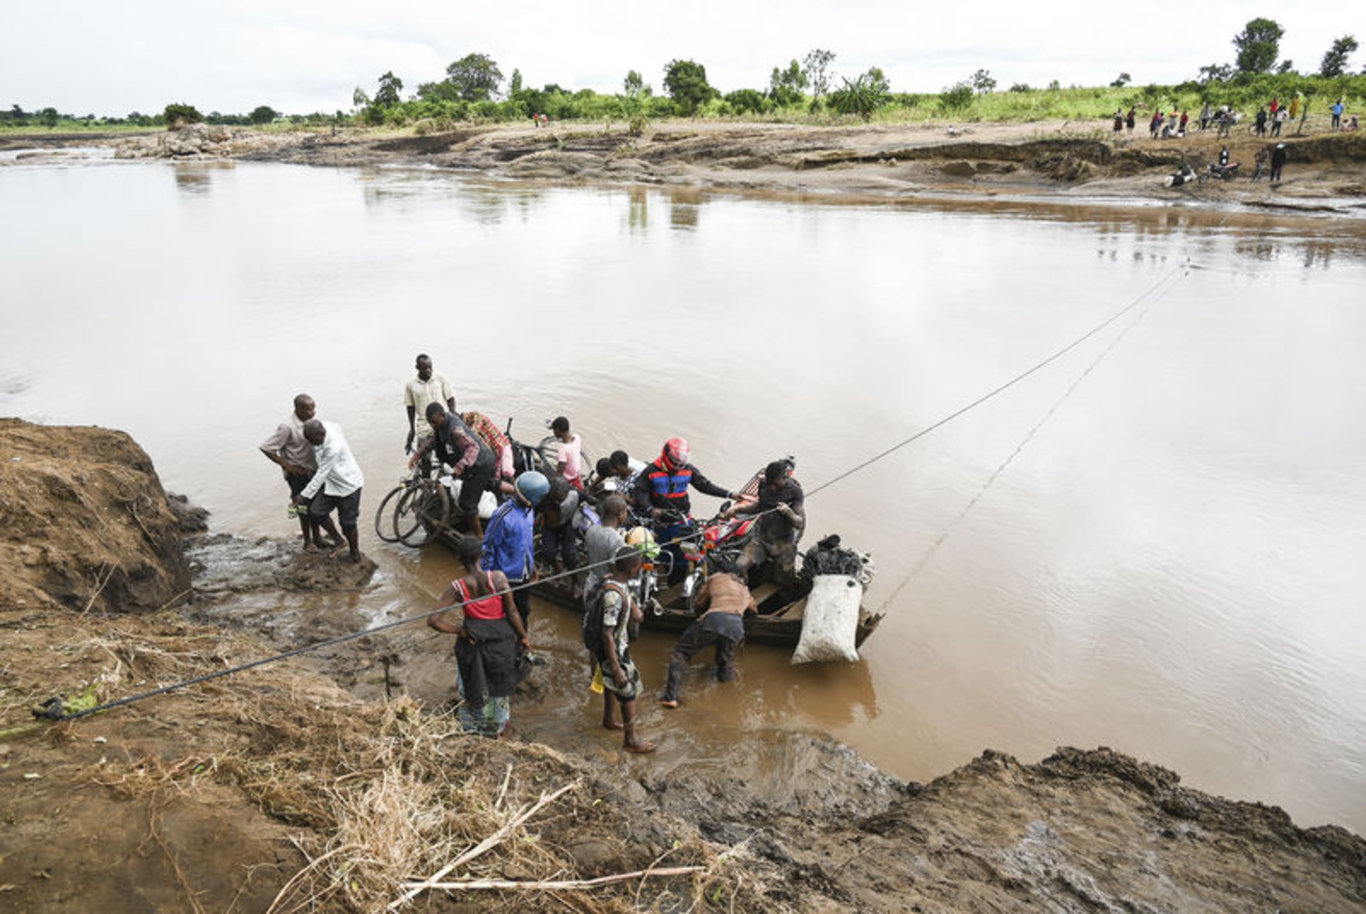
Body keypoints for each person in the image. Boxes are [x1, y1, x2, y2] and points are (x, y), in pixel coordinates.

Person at [427, 535, 530, 738]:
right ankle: (500, 728)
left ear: (459, 559)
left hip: (473, 642)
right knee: (499, 685)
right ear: (482, 555)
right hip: (501, 641)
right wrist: (524, 637)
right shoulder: (498, 579)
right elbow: (512, 613)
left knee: (474, 682)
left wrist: (459, 630)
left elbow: (433, 620)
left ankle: (475, 728)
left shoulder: (457, 587)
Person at [632, 437, 738, 582]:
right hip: (660, 522)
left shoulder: (688, 470)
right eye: (675, 464)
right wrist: (651, 509)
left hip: (681, 520)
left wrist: (730, 494)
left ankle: (678, 579)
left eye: (681, 464)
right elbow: (640, 492)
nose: (678, 468)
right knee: (661, 554)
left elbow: (704, 485)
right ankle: (660, 579)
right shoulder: (651, 471)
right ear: (666, 456)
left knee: (684, 554)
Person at [585, 546, 654, 753]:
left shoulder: (612, 580)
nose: (640, 568)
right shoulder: (613, 597)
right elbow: (607, 632)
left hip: (610, 647)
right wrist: (616, 667)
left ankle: (608, 720)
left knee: (610, 685)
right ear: (632, 569)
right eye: (639, 565)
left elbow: (626, 598)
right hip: (613, 649)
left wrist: (634, 609)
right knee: (628, 691)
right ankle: (630, 740)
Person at [659, 570, 757, 708]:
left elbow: (699, 601)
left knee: (681, 652)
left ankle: (670, 697)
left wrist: (700, 615)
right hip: (736, 627)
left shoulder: (716, 577)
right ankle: (726, 692)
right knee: (725, 659)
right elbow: (754, 610)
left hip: (714, 619)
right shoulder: (745, 589)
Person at [259, 393, 340, 552]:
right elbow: (266, 447)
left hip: (313, 472)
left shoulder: (310, 422)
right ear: (298, 409)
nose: (313, 412)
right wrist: (287, 465)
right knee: (302, 508)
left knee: (315, 506)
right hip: (298, 474)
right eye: (309, 409)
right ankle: (308, 542)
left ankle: (317, 537)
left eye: (314, 408)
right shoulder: (287, 427)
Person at [411, 403, 496, 536]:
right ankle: (515, 491)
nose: (432, 426)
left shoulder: (455, 430)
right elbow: (433, 440)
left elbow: (473, 448)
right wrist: (418, 454)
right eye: (429, 423)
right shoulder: (440, 426)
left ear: (442, 416)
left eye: (433, 422)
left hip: (481, 464)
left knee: (467, 504)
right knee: (492, 484)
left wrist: (459, 467)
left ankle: (480, 538)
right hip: (476, 463)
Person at [482, 470, 549, 632]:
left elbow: (527, 543)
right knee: (504, 612)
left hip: (522, 575)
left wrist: (531, 567)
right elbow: (488, 547)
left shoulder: (529, 511)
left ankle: (520, 643)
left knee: (523, 610)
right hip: (505, 577)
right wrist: (488, 578)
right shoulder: (503, 515)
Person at [295, 418, 364, 562]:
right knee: (316, 512)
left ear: (321, 434)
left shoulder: (332, 447)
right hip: (331, 483)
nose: (310, 444)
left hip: (347, 485)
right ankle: (339, 541)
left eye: (312, 440)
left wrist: (303, 495)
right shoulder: (327, 426)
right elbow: (337, 425)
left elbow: (321, 474)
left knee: (348, 523)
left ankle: (354, 554)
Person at [730, 460, 805, 589]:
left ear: (785, 478)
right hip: (762, 539)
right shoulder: (764, 484)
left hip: (783, 542)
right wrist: (737, 510)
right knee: (739, 566)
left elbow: (799, 522)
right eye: (770, 484)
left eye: (776, 484)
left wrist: (789, 512)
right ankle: (744, 592)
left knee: (785, 579)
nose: (772, 488)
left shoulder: (795, 492)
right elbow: (758, 507)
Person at [404, 354, 456, 456]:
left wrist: (452, 417)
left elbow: (450, 398)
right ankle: (425, 471)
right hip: (424, 425)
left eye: (430, 367)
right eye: (425, 368)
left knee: (449, 454)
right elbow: (410, 407)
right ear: (417, 368)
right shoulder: (411, 385)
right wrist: (412, 428)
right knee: (424, 456)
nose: (428, 370)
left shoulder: (440, 379)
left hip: (442, 422)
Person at [582, 494, 629, 609]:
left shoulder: (591, 530)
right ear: (620, 514)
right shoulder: (615, 539)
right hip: (607, 594)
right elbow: (616, 573)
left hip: (590, 586)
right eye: (626, 512)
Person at [462, 409, 516, 493]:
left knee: (507, 471)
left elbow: (473, 433)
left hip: (503, 446)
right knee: (495, 479)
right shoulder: (472, 428)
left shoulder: (477, 416)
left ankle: (517, 489)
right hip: (495, 455)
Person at [538, 476, 581, 577]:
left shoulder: (574, 494)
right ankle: (557, 567)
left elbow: (591, 500)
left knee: (570, 555)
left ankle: (575, 580)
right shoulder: (543, 499)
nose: (558, 503)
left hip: (568, 524)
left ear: (567, 493)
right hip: (550, 525)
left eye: (560, 499)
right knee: (548, 552)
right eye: (555, 499)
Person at [549, 416, 584, 490]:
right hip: (576, 474)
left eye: (554, 430)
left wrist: (554, 483)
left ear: (558, 431)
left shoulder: (563, 449)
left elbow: (560, 473)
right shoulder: (577, 437)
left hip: (568, 479)